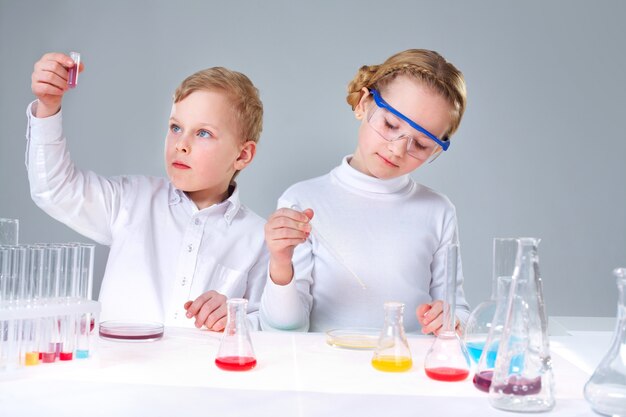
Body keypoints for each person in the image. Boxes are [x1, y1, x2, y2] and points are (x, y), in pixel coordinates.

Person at [26, 52, 268, 330]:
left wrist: (236, 318)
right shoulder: (129, 200)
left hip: (200, 373)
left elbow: (271, 325)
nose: (181, 144)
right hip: (119, 372)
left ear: (243, 155)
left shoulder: (258, 240)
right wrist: (48, 107)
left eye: (203, 133)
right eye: (176, 128)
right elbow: (54, 189)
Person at [260, 49, 470, 334]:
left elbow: (457, 309)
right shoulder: (302, 201)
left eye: (420, 144)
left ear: (437, 148)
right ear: (363, 103)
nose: (397, 149)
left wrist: (451, 319)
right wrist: (280, 262)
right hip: (325, 372)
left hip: (406, 371)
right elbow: (285, 330)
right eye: (391, 124)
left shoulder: (437, 211)